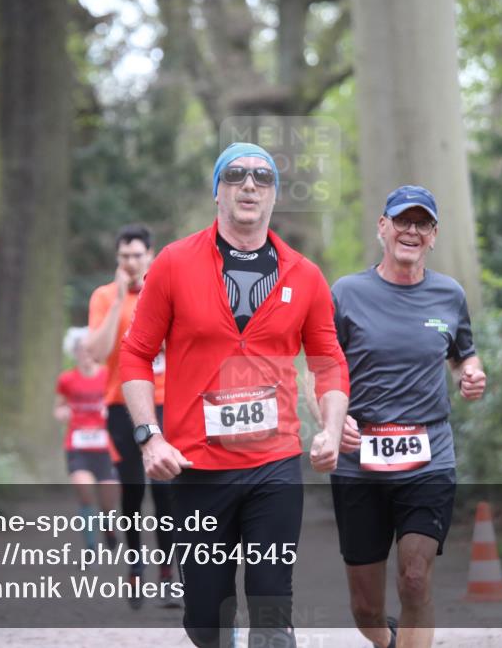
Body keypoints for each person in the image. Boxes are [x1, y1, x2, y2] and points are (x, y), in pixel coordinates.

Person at [119, 142, 350, 648]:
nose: (250, 185)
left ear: (274, 196)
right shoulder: (175, 264)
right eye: (237, 175)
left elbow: (328, 361)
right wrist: (148, 437)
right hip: (197, 469)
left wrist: (331, 429)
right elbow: (135, 355)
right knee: (206, 619)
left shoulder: (304, 276)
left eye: (262, 177)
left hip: (275, 464)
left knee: (272, 608)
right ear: (217, 192)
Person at [328, 186, 487, 648]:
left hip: (428, 456)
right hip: (360, 459)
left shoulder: (448, 295)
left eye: (422, 224)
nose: (410, 231)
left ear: (434, 236)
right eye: (402, 221)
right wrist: (334, 419)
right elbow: (324, 366)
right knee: (365, 609)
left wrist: (471, 375)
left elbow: (465, 356)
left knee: (415, 578)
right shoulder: (347, 293)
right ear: (383, 227)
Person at [86, 224, 176, 607]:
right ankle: (137, 564)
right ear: (117, 259)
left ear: (150, 255)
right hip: (121, 404)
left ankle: (170, 573)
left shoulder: (167, 290)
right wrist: (121, 297)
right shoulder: (105, 296)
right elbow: (97, 351)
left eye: (138, 255)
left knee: (167, 490)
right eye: (124, 256)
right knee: (133, 490)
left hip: (167, 401)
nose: (131, 262)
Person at [54, 327, 119, 551]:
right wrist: (63, 414)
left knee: (109, 499)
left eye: (89, 350)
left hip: (104, 446)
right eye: (80, 350)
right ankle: (91, 546)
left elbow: (119, 401)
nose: (85, 354)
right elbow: (59, 407)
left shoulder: (108, 375)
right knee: (84, 489)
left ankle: (109, 526)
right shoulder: (67, 379)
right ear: (75, 353)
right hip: (78, 444)